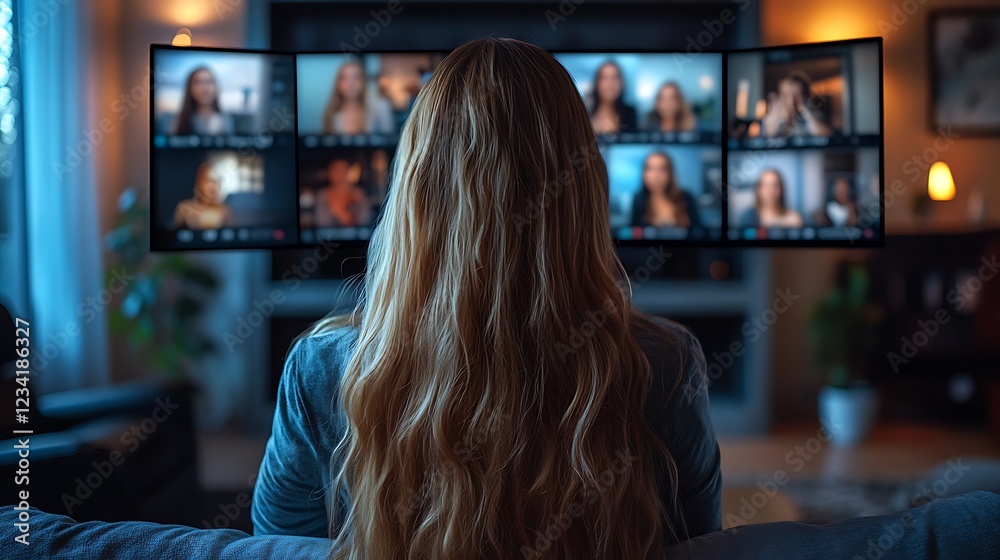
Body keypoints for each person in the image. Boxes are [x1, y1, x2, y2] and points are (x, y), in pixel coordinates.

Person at [251, 38, 721, 560]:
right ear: (584, 184)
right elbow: (699, 547)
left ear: (416, 184)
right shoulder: (666, 362)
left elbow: (277, 551)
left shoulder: (319, 370)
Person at [323, 60, 394, 135]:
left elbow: (388, 141)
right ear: (338, 84)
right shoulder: (331, 114)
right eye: (345, 78)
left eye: (356, 77)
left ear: (364, 81)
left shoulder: (379, 108)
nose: (350, 83)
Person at [630, 152, 699, 229]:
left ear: (670, 173)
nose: (656, 175)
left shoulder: (687, 197)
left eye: (662, 169)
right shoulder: (638, 199)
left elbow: (699, 232)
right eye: (650, 168)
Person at [760, 72, 832, 138]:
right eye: (786, 94)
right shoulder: (769, 119)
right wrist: (772, 125)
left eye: (797, 95)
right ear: (779, 96)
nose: (791, 100)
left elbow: (826, 137)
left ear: (806, 96)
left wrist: (807, 114)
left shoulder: (815, 115)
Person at [172, 66, 235, 136]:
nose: (205, 88)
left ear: (216, 88)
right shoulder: (179, 121)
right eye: (198, 82)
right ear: (190, 88)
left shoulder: (226, 120)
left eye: (209, 82)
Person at [173, 162, 233, 229]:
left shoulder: (225, 211)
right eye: (208, 180)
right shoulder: (184, 208)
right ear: (198, 183)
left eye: (216, 181)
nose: (212, 187)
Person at [316, 158, 371, 227]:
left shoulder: (359, 194)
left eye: (344, 170)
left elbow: (365, 222)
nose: (340, 175)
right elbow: (321, 224)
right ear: (328, 173)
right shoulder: (322, 195)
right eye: (336, 171)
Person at [589, 61, 638, 134]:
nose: (610, 84)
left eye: (615, 78)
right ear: (597, 83)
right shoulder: (586, 113)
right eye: (604, 78)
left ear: (622, 83)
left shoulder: (630, 114)